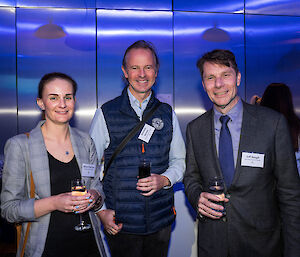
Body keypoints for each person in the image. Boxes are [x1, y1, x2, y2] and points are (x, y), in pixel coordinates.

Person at [183, 49, 300, 257]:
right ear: (203, 84)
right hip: (213, 245)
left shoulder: (272, 124)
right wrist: (197, 196)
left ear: (237, 78)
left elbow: (291, 196)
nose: (218, 84)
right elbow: (191, 177)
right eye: (210, 77)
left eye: (225, 75)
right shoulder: (195, 129)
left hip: (261, 246)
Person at [89, 40, 186, 257]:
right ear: (125, 72)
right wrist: (101, 212)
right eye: (135, 68)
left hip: (160, 221)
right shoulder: (106, 113)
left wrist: (164, 179)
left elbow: (180, 161)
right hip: (121, 222)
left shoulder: (167, 114)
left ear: (156, 71)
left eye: (148, 67)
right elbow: (90, 168)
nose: (142, 74)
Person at [1, 72, 106, 257]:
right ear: (40, 103)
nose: (63, 104)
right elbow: (10, 210)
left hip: (88, 245)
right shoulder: (20, 146)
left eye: (68, 97)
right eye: (53, 98)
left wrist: (95, 195)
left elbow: (96, 187)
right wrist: (54, 203)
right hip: (46, 247)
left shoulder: (85, 142)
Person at [260, 83, 300, 175]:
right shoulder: (296, 126)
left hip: (262, 183)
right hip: (292, 182)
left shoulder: (258, 125)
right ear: (288, 101)